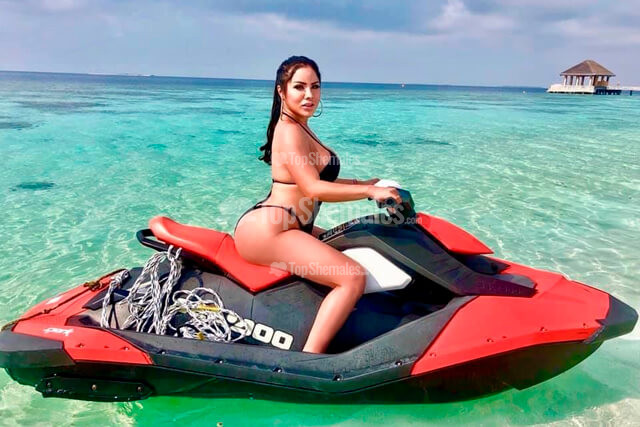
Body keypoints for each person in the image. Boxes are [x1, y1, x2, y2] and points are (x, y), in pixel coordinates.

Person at [234, 56, 400, 353]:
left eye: (315, 86)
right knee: (352, 277)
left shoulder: (301, 126)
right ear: (281, 91)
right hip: (269, 231)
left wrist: (366, 183)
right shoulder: (289, 130)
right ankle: (310, 359)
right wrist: (367, 192)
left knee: (352, 242)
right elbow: (312, 187)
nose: (309, 95)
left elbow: (318, 176)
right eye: (299, 87)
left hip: (293, 225)